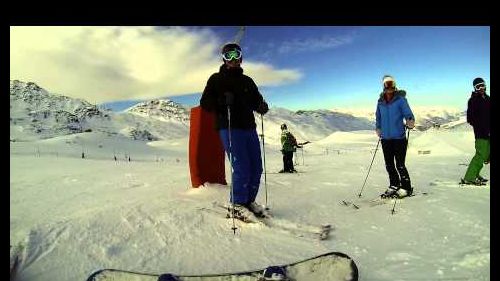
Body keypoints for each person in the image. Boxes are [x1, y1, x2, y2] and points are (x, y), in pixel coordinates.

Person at [200, 42, 269, 217]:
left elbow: (256, 100)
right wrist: (222, 101)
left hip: (249, 128)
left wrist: (261, 106)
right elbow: (205, 103)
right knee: (242, 167)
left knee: (256, 167)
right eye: (229, 55)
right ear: (224, 59)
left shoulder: (248, 81)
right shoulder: (216, 79)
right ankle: (237, 203)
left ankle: (248, 201)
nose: (233, 59)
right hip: (230, 127)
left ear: (241, 57)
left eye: (235, 54)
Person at [376, 75, 415, 198]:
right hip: (385, 138)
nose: (389, 86)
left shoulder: (400, 99)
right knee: (389, 164)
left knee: (400, 164)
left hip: (399, 137)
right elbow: (378, 117)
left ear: (394, 84)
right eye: (387, 84)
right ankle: (394, 184)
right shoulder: (380, 101)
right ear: (383, 85)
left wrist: (410, 120)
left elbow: (408, 113)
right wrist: (378, 127)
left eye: (391, 83)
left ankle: (406, 187)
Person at [461, 77, 490, 185]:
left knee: (486, 155)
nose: (481, 88)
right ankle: (469, 177)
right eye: (478, 86)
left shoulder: (487, 99)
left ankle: (475, 173)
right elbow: (470, 118)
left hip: (488, 133)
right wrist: (482, 127)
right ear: (475, 88)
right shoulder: (473, 100)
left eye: (482, 85)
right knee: (480, 155)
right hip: (481, 133)